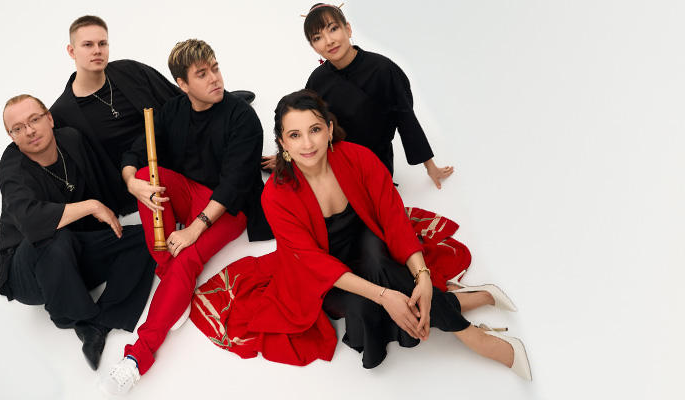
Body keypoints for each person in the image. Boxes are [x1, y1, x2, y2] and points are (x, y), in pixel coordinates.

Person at [191, 89, 531, 380]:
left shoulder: (358, 158)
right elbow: (315, 263)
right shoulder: (276, 196)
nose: (307, 144)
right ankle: (477, 298)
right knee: (365, 309)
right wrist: (384, 296)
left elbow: (393, 219)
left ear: (329, 129)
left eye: (314, 129)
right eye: (294, 135)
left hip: (367, 242)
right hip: (321, 271)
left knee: (384, 268)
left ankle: (480, 341)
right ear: (282, 143)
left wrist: (424, 276)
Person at [96, 39, 273, 396]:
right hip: (188, 191)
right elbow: (137, 152)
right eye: (202, 74)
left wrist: (194, 228)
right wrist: (132, 183)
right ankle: (171, 276)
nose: (215, 79)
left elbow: (234, 184)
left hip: (227, 208)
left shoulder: (242, 116)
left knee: (188, 256)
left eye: (216, 69)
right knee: (145, 176)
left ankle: (137, 357)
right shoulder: (173, 110)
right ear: (183, 84)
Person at [0, 94, 156, 371]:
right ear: (11, 136)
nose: (29, 130)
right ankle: (74, 315)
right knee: (53, 235)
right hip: (30, 272)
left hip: (76, 252)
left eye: (34, 119)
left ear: (49, 118)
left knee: (146, 240)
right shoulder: (12, 168)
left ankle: (99, 325)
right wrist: (91, 206)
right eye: (18, 128)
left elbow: (104, 183)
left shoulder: (71, 140)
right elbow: (32, 223)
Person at [263, 3, 455, 188]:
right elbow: (305, 122)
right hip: (332, 158)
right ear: (314, 47)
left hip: (374, 161)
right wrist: (287, 155)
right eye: (318, 37)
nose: (329, 41)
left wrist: (430, 166)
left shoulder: (383, 69)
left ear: (348, 29)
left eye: (333, 29)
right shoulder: (317, 79)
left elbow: (405, 117)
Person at [51, 15, 256, 175]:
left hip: (177, 154)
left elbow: (175, 97)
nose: (97, 50)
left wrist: (223, 102)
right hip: (132, 175)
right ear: (72, 51)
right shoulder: (62, 112)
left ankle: (221, 104)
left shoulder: (130, 70)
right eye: (88, 45)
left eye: (102, 43)